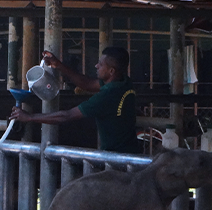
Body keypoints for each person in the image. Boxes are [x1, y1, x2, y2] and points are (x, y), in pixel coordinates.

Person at [9, 47, 141, 154]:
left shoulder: (106, 97)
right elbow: (87, 84)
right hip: (131, 152)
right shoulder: (124, 82)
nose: (96, 66)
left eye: (100, 64)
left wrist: (30, 117)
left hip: (116, 158)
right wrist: (58, 65)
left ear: (111, 71)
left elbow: (66, 116)